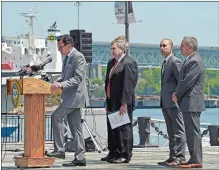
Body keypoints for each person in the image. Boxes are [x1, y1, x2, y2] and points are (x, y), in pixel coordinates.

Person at [46, 34, 87, 167]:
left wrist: (62, 85)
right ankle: (80, 158)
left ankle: (59, 150)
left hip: (75, 97)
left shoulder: (78, 57)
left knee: (56, 116)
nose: (59, 50)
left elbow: (78, 78)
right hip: (69, 97)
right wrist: (58, 81)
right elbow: (66, 76)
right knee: (76, 128)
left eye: (60, 47)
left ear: (69, 46)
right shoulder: (67, 57)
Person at [101, 36, 138, 164]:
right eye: (111, 48)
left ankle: (125, 154)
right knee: (112, 128)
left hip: (122, 101)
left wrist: (125, 103)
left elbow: (129, 85)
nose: (112, 51)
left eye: (114, 48)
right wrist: (107, 100)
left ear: (122, 49)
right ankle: (114, 152)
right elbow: (108, 82)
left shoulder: (128, 62)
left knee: (124, 128)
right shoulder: (111, 63)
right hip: (112, 100)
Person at [172, 36, 205, 169]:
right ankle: (193, 158)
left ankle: (196, 159)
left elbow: (187, 81)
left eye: (182, 45)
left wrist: (177, 93)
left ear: (190, 47)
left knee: (193, 132)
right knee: (190, 131)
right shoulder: (190, 60)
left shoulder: (195, 61)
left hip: (192, 101)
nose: (180, 48)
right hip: (188, 102)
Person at [158, 38, 186, 166]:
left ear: (171, 47)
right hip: (165, 103)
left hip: (174, 103)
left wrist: (177, 95)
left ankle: (180, 157)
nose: (162, 48)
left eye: (164, 45)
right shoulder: (165, 62)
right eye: (160, 46)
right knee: (170, 131)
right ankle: (172, 156)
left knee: (178, 130)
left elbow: (182, 80)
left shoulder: (175, 61)